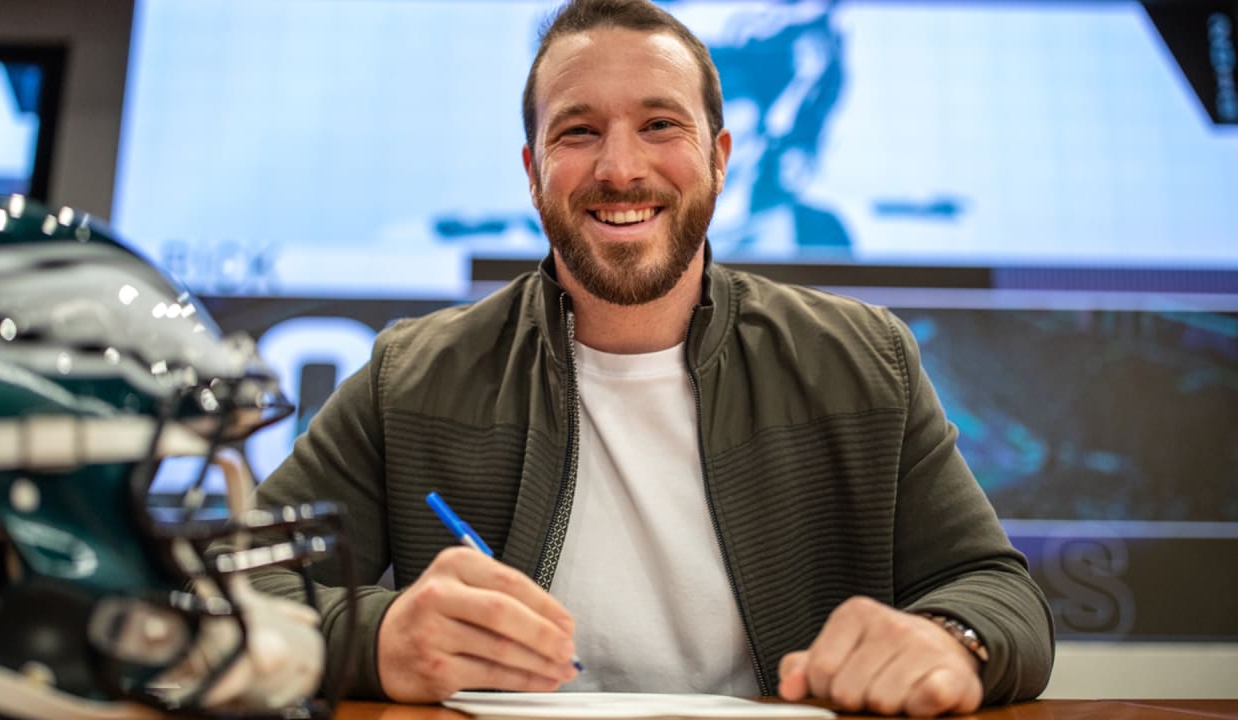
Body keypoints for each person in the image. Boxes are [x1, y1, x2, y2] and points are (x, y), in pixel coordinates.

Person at [248, 0, 1054, 715]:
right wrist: (377, 637)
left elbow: (999, 593)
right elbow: (237, 587)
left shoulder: (863, 358)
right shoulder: (410, 374)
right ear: (533, 173)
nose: (620, 168)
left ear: (718, 157)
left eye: (660, 125)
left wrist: (954, 641)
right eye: (578, 131)